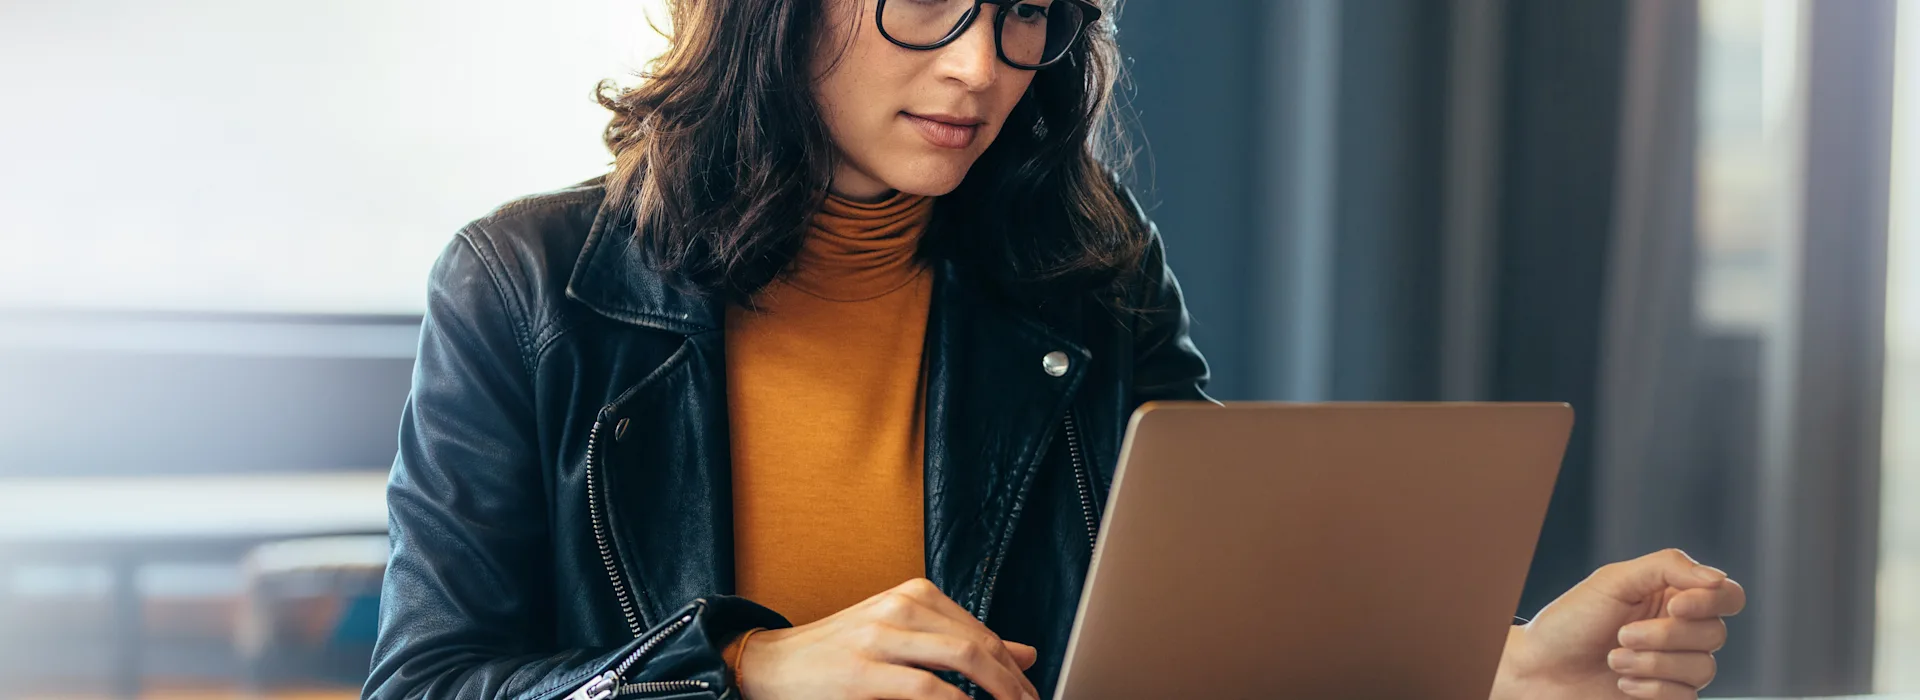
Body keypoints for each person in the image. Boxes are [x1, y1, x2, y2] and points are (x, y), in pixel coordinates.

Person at [363, 0, 1747, 698]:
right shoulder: (528, 287)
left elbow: (1215, 640)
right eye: (926, 2)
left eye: (1023, 9)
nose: (979, 65)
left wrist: (1485, 671)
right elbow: (427, 685)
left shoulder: (1086, 268)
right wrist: (745, 673)